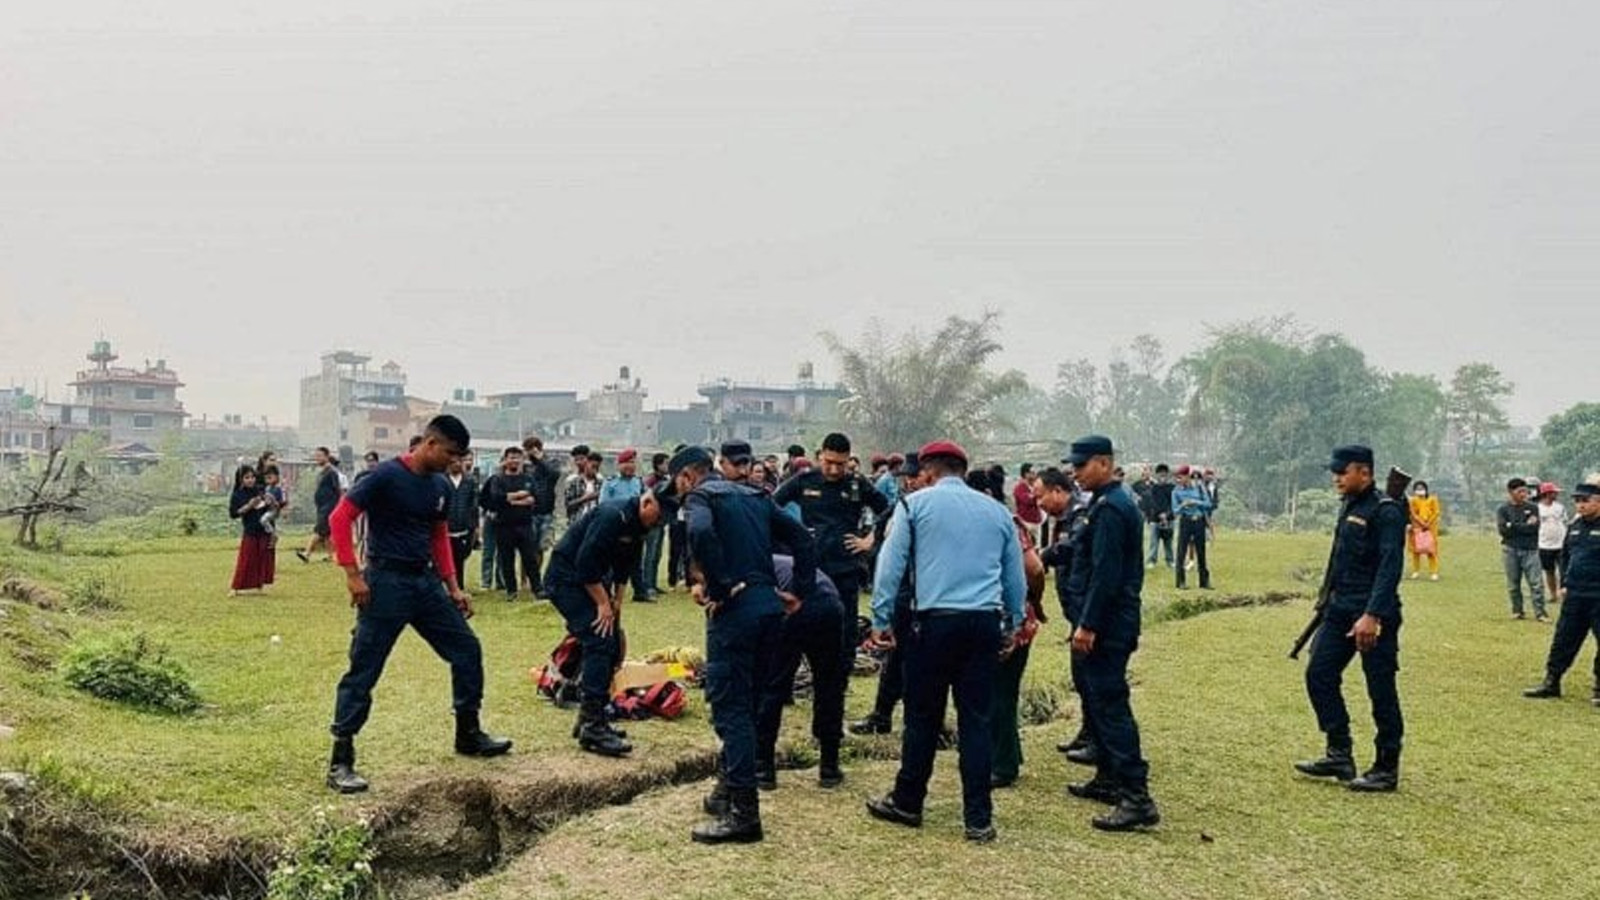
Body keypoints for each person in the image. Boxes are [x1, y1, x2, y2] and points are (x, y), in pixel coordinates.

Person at [324, 415, 511, 794]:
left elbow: (438, 535)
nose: (455, 463)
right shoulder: (384, 477)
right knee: (365, 667)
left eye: (461, 457)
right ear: (429, 444)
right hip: (384, 584)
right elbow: (340, 518)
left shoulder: (440, 485)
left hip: (424, 584)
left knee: (466, 649)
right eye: (451, 454)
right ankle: (341, 759)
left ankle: (468, 733)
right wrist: (353, 574)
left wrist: (453, 587)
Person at [864, 440, 1025, 844]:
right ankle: (978, 818)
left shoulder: (913, 507)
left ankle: (908, 801)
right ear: (962, 469)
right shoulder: (998, 513)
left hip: (932, 625)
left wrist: (881, 620)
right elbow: (1014, 578)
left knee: (922, 718)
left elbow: (890, 566)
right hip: (983, 625)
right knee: (977, 720)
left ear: (931, 471)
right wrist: (1013, 624)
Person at [672, 445, 818, 845]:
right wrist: (800, 590)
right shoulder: (757, 495)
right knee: (749, 705)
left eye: (679, 483)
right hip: (769, 609)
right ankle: (725, 791)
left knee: (731, 712)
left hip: (735, 613)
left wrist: (718, 585)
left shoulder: (702, 496)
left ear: (688, 476)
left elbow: (699, 532)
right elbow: (803, 541)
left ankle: (744, 815)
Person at [1057, 436, 1160, 831]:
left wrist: (1088, 624)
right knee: (1097, 702)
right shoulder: (1103, 503)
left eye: (1080, 466)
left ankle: (1137, 797)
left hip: (1108, 625)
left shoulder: (1114, 508)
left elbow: (1107, 575)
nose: (1074, 473)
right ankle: (1107, 778)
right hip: (1103, 621)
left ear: (1103, 463)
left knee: (1111, 704)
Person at [1295, 446, 1407, 793]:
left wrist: (1371, 615)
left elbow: (1390, 567)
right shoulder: (1351, 506)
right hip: (1339, 608)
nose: (1336, 478)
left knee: (1380, 689)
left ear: (1364, 472)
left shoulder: (1386, 512)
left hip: (1374, 615)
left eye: (1343, 472)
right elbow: (1339, 559)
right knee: (1319, 674)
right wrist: (1325, 601)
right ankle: (1339, 752)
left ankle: (1386, 767)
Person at [546, 487, 672, 757]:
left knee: (611, 642)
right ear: (647, 501)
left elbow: (626, 566)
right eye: (658, 517)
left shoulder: (639, 524)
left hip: (592, 581)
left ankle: (588, 716)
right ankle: (592, 725)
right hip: (566, 579)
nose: (658, 524)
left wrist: (616, 603)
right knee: (599, 640)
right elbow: (585, 564)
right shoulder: (612, 515)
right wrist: (603, 604)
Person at [773, 432, 890, 673]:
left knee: (845, 628)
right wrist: (791, 536)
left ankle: (839, 681)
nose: (835, 470)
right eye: (829, 462)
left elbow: (889, 512)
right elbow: (772, 506)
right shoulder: (804, 480)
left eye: (841, 464)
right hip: (810, 568)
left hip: (845, 568)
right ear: (819, 456)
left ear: (849, 460)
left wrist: (870, 539)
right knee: (799, 622)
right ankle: (787, 682)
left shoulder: (858, 483)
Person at [753, 554, 847, 792]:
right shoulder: (775, 561)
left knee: (773, 686)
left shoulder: (749, 567)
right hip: (830, 605)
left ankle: (763, 768)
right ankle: (829, 767)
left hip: (798, 606)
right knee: (829, 687)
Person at [849, 451, 926, 736]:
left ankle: (920, 722)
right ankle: (882, 715)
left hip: (928, 596)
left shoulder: (932, 509)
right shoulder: (904, 505)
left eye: (913, 477)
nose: (908, 482)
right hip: (905, 593)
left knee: (920, 663)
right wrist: (870, 539)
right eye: (905, 477)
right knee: (896, 657)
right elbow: (881, 523)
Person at [990, 486, 1048, 789]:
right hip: (1013, 620)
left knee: (998, 692)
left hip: (1006, 623)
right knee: (1002, 691)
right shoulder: (1007, 522)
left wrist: (1033, 601)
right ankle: (1006, 755)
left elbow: (1034, 568)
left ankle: (1003, 764)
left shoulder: (1004, 524)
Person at [1523, 483, 1600, 705]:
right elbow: (1566, 556)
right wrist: (1564, 583)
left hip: (1598, 595)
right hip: (1575, 594)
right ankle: (1551, 682)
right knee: (1563, 639)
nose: (1581, 505)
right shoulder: (1575, 526)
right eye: (1578, 501)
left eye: (1586, 500)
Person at [482, 446, 539, 601]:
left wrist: (510, 500)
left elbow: (534, 498)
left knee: (530, 558)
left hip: (525, 524)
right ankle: (511, 591)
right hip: (504, 525)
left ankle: (538, 589)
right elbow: (496, 498)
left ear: (522, 460)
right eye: (511, 457)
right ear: (505, 460)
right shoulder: (497, 479)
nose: (514, 460)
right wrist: (519, 496)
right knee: (506, 559)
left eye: (517, 457)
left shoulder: (528, 478)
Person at [1497, 478, 1547, 621]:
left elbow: (1534, 528)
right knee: (1513, 583)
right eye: (1520, 491)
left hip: (1530, 549)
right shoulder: (1503, 509)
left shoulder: (1533, 507)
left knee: (1536, 583)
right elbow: (1503, 531)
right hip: (1510, 549)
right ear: (1510, 492)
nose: (1524, 494)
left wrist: (1512, 525)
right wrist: (1523, 525)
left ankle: (1540, 613)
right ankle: (1517, 611)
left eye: (1525, 491)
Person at [522, 436, 563, 598]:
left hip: (546, 511)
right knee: (527, 549)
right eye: (528, 449)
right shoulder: (525, 466)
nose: (530, 452)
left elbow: (554, 475)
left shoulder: (551, 462)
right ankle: (523, 581)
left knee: (540, 548)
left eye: (533, 448)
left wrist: (540, 460)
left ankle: (536, 580)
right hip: (529, 511)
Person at [229, 465, 274, 595]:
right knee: (246, 559)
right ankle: (235, 587)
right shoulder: (237, 494)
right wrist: (249, 506)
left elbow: (270, 509)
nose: (251, 480)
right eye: (247, 477)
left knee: (261, 558)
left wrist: (269, 502)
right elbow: (234, 514)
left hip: (264, 528)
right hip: (250, 530)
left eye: (252, 477)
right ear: (241, 479)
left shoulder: (259, 491)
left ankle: (259, 585)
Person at [296, 447, 343, 563]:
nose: (317, 458)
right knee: (326, 533)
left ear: (327, 457)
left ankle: (307, 553)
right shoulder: (322, 472)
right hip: (322, 506)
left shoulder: (332, 472)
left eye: (320, 456)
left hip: (329, 506)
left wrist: (337, 506)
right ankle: (331, 556)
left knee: (319, 530)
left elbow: (338, 490)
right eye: (316, 456)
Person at [1172, 465, 1213, 590]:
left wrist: (1195, 502)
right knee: (1181, 551)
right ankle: (1181, 581)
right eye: (1177, 478)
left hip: (1199, 521)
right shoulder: (1176, 492)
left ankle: (1204, 581)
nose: (1179, 480)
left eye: (1181, 478)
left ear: (1187, 476)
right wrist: (1183, 505)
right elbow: (1175, 510)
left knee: (1201, 551)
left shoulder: (1199, 489)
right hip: (1186, 521)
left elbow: (1208, 504)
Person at [638, 452, 671, 600]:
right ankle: (647, 585)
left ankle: (653, 583)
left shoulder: (666, 479)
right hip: (652, 522)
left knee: (657, 554)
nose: (667, 466)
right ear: (658, 465)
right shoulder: (650, 481)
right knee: (650, 555)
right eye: (665, 463)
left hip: (661, 520)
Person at [444, 456, 479, 592]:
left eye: (459, 461)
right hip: (446, 528)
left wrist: (474, 526)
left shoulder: (469, 481)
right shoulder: (442, 480)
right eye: (453, 462)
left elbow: (474, 505)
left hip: (464, 528)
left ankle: (459, 586)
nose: (456, 464)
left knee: (460, 559)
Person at [1536, 482, 1568, 602]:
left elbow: (1565, 522)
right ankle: (1553, 594)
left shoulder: (1560, 507)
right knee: (1549, 571)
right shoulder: (1537, 508)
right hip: (1544, 544)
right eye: (1554, 492)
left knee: (1564, 570)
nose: (1556, 494)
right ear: (1547, 493)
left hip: (1561, 544)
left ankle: (1564, 594)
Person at [1407, 480, 1442, 581]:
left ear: (1426, 489)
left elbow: (1436, 512)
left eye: (1422, 488)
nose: (1420, 491)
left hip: (1430, 529)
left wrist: (1428, 523)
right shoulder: (1413, 500)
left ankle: (1434, 572)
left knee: (1431, 551)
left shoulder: (1432, 499)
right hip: (1417, 528)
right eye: (1417, 489)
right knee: (1416, 551)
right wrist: (1421, 523)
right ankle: (1416, 571)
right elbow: (1412, 513)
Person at [1143, 464, 1175, 569]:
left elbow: (1173, 503)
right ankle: (1152, 560)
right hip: (1155, 519)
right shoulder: (1153, 488)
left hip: (1169, 518)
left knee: (1168, 541)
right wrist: (1160, 514)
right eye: (1160, 474)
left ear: (1167, 475)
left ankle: (1170, 561)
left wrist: (1167, 514)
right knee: (1154, 542)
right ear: (1157, 475)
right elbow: (1151, 503)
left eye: (1164, 474)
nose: (1162, 476)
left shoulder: (1172, 488)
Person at [1014, 463, 1044, 547]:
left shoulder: (1033, 486)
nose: (1035, 474)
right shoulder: (1020, 488)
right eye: (1032, 472)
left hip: (1036, 521)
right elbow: (1028, 500)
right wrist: (1038, 496)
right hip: (1026, 522)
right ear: (1026, 474)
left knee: (1037, 546)